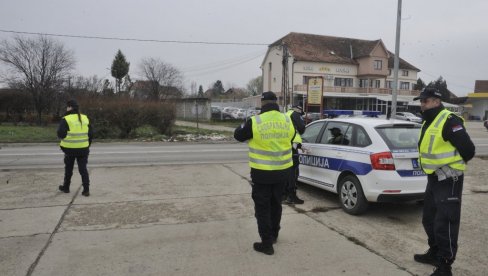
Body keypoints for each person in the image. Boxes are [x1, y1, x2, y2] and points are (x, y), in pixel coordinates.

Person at [413, 87, 475, 276]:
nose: (421, 104)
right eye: (421, 101)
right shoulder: (428, 120)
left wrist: (450, 168)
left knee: (445, 222)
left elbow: (469, 150)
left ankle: (445, 266)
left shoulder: (449, 120)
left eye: (425, 101)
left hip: (449, 179)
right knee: (429, 220)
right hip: (433, 178)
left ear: (436, 101)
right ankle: (435, 252)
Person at [234, 91, 296, 255]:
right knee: (276, 204)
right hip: (283, 172)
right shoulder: (287, 119)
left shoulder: (255, 121)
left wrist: (243, 124)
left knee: (262, 208)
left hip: (262, 174)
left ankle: (267, 243)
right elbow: (292, 138)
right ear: (276, 103)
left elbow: (238, 135)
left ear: (262, 103)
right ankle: (274, 235)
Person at [57, 99, 93, 197]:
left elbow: (60, 134)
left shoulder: (66, 119)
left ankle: (66, 187)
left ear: (70, 107)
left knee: (68, 169)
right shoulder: (85, 118)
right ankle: (86, 190)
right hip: (83, 149)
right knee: (83, 169)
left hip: (69, 149)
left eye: (67, 106)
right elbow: (91, 134)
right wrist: (87, 145)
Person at [284, 105, 306, 204]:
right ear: (299, 110)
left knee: (287, 172)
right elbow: (301, 128)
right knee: (294, 173)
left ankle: (284, 195)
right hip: (293, 148)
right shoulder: (295, 114)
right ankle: (291, 196)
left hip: (286, 146)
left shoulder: (286, 115)